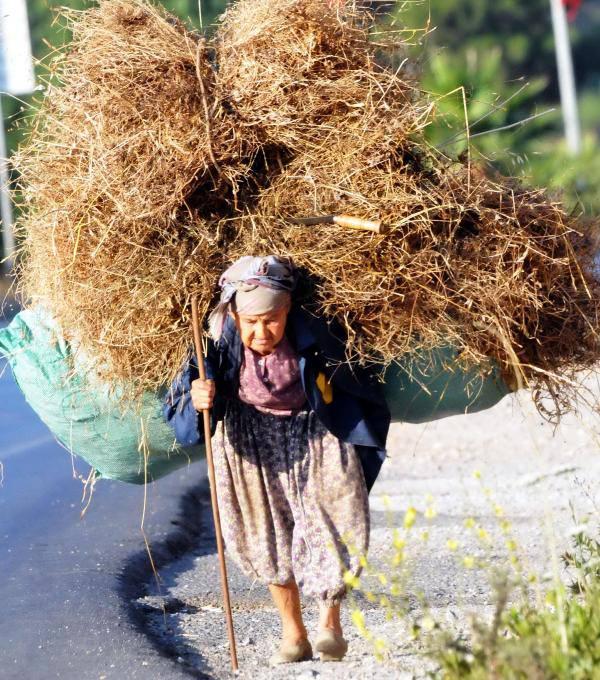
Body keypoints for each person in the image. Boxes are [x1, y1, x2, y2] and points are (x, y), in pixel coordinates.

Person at [164, 255, 390, 665]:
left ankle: (330, 626)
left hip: (315, 429)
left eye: (271, 320)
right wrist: (199, 397)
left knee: (332, 519)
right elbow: (180, 413)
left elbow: (359, 375)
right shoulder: (214, 339)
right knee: (264, 532)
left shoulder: (317, 331)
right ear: (234, 313)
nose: (261, 331)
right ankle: (293, 634)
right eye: (250, 322)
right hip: (250, 436)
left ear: (287, 310)